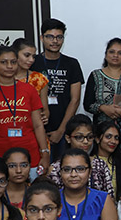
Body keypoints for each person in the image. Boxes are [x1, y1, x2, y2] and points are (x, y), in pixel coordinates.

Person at [0, 45, 50, 172]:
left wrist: (45, 153)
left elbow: (38, 125)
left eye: (13, 62)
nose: (9, 66)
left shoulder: (29, 90)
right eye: (3, 62)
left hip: (28, 154)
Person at [31, 18, 85, 161]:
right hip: (35, 127)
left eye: (59, 37)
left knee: (63, 167)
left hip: (63, 129)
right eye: (50, 37)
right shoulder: (33, 62)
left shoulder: (72, 63)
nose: (55, 41)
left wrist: (61, 131)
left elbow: (75, 99)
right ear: (42, 38)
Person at [56, 148, 117, 220]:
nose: (73, 174)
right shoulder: (52, 200)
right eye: (67, 170)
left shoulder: (103, 200)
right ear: (60, 172)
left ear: (90, 172)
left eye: (80, 169)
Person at [0, 38, 50, 125]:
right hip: (2, 125)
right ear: (15, 54)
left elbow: (45, 110)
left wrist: (44, 118)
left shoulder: (39, 79)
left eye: (33, 57)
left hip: (30, 128)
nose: (31, 60)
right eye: (27, 55)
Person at [49, 114, 114, 197]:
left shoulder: (100, 165)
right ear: (68, 138)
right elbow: (52, 199)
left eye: (90, 137)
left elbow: (109, 197)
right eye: (79, 137)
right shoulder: (55, 168)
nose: (86, 141)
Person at [92, 121, 121, 201]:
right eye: (108, 137)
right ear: (97, 139)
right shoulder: (89, 161)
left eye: (116, 138)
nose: (113, 141)